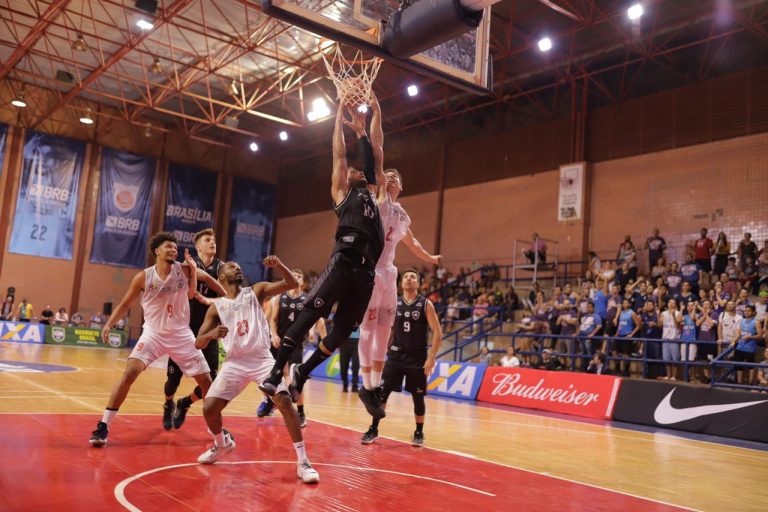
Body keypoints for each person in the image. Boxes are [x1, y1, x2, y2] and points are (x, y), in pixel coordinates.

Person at [259, 100, 385, 415]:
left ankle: (302, 372)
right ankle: (275, 374)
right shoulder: (342, 194)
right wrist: (338, 120)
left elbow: (373, 156)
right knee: (308, 315)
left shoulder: (371, 191)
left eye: (358, 170)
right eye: (352, 171)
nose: (355, 170)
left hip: (367, 272)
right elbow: (339, 155)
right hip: (344, 259)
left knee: (342, 331)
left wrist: (362, 131)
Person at [88, 232, 226, 447]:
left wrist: (227, 297)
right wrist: (109, 323)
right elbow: (125, 304)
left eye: (175, 247)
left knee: (207, 382)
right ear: (157, 251)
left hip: (181, 334)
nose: (173, 250)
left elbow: (208, 279)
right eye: (169, 247)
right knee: (130, 373)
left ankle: (216, 429)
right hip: (153, 333)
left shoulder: (184, 269)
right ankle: (103, 425)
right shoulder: (143, 277)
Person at [192, 258, 320, 483]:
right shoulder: (216, 308)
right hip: (234, 363)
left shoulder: (255, 291)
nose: (237, 268)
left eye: (238, 266)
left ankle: (303, 462)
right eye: (231, 266)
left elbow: (291, 283)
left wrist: (280, 265)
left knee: (284, 401)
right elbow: (198, 342)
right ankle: (222, 444)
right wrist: (211, 335)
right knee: (209, 408)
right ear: (221, 276)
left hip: (261, 359)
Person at [359, 158, 441, 414]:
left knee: (384, 329)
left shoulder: (402, 214)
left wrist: (430, 258)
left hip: (388, 272)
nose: (392, 176)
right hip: (371, 269)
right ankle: (367, 385)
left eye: (396, 176)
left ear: (402, 187)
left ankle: (374, 387)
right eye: (388, 174)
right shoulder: (378, 200)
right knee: (368, 329)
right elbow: (378, 168)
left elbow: (412, 242)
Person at [360, 269, 442, 446]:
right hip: (395, 357)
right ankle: (373, 429)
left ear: (418, 283)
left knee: (418, 397)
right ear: (401, 283)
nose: (409, 279)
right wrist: (381, 350)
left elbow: (437, 332)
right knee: (381, 394)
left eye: (413, 277)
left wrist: (431, 357)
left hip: (417, 358)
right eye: (406, 277)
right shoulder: (394, 303)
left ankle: (419, 432)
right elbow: (388, 330)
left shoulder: (425, 304)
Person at [163, 229, 225, 431]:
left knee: (212, 382)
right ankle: (168, 404)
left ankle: (185, 403)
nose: (212, 243)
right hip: (184, 330)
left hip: (209, 331)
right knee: (173, 380)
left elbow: (229, 297)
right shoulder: (188, 265)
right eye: (207, 240)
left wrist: (209, 300)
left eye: (213, 240)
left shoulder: (222, 268)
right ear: (198, 247)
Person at [258, 269, 327, 425]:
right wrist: (274, 335)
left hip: (296, 344)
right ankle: (268, 403)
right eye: (293, 275)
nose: (296, 278)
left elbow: (318, 320)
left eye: (299, 276)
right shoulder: (279, 298)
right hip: (278, 342)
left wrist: (321, 337)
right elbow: (272, 320)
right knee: (270, 374)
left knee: (296, 380)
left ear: (303, 282)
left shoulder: (308, 299)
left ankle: (301, 413)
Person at [732, 304, 762, 384]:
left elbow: (760, 335)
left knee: (750, 366)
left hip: (750, 348)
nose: (746, 312)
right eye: (745, 311)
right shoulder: (741, 321)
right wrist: (734, 341)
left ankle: (750, 383)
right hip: (740, 347)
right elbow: (739, 333)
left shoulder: (756, 322)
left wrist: (750, 337)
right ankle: (739, 382)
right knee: (738, 365)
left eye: (749, 311)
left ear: (753, 312)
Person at [339, 327, 361, 393]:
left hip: (357, 341)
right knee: (343, 365)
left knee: (356, 365)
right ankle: (345, 385)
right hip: (344, 341)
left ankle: (355, 386)